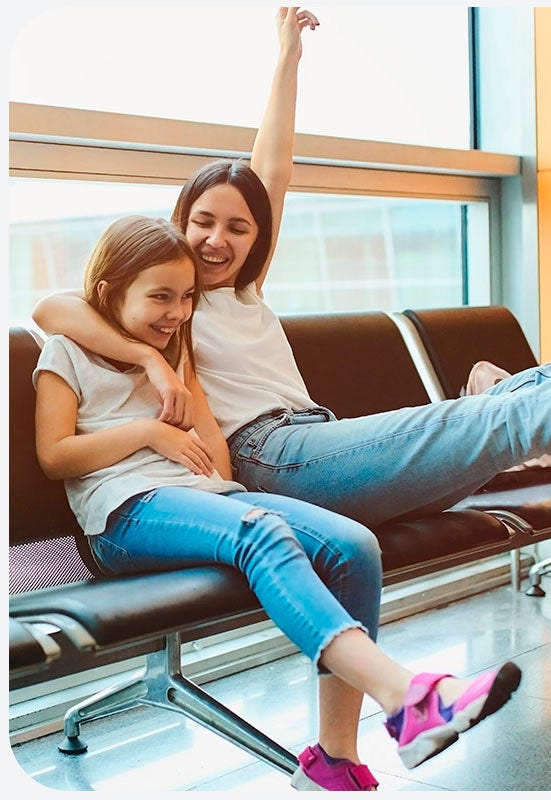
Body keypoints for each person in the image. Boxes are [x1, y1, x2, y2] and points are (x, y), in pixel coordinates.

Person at [32, 5, 551, 780]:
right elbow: (55, 309)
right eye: (201, 222)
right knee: (506, 419)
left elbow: (273, 172)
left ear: (257, 237)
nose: (218, 240)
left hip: (312, 439)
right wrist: (153, 361)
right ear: (175, 226)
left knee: (518, 391)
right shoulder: (165, 304)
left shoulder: (233, 292)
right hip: (272, 457)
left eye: (238, 227)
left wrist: (287, 58)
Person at [33, 214, 523, 792]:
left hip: (201, 500)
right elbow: (56, 456)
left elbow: (212, 453)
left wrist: (191, 409)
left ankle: (334, 762)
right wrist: (149, 434)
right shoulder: (66, 352)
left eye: (186, 297)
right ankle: (404, 696)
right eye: (160, 297)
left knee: (350, 543)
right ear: (112, 292)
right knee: (261, 531)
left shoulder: (177, 351)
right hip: (123, 514)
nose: (177, 312)